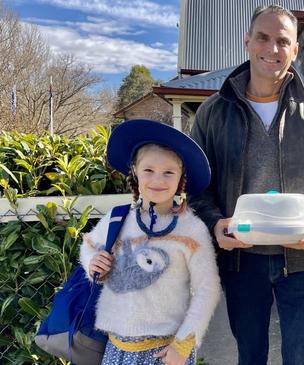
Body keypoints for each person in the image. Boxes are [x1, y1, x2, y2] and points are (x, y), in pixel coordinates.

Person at [188, 4, 304, 365]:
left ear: (295, 50)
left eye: (283, 41)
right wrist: (215, 223)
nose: (272, 49)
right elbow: (196, 186)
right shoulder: (213, 112)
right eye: (263, 37)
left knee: (300, 358)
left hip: (302, 260)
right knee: (250, 356)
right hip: (242, 261)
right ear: (247, 41)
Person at [80, 119, 220, 365]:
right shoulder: (117, 219)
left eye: (169, 172)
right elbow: (89, 245)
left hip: (167, 352)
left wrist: (184, 343)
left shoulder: (192, 230)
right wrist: (94, 263)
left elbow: (207, 289)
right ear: (134, 171)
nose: (158, 180)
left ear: (181, 178)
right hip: (117, 349)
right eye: (149, 170)